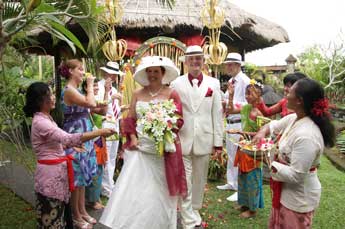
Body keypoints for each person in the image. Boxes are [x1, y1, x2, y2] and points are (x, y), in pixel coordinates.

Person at [100, 56, 187, 229]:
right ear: (145, 74)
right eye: (149, 71)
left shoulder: (172, 93)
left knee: (161, 189)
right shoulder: (137, 93)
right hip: (141, 150)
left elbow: (179, 120)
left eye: (156, 71)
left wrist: (166, 129)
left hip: (163, 151)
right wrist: (132, 138)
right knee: (139, 189)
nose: (153, 74)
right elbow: (130, 119)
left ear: (163, 73)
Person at [24, 82, 115, 228]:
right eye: (50, 95)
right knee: (51, 218)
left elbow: (57, 141)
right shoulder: (41, 122)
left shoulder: (46, 118)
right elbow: (67, 137)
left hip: (56, 174)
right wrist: (99, 133)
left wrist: (71, 145)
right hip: (50, 177)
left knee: (59, 215)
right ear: (40, 100)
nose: (54, 98)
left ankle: (78, 215)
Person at [252, 78, 335, 228]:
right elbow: (274, 125)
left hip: (298, 198)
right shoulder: (294, 118)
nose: (285, 93)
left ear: (299, 101)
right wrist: (261, 132)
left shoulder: (307, 135)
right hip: (284, 191)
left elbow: (296, 175)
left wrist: (267, 160)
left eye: (289, 92)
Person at [171, 45, 223, 229]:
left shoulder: (214, 84)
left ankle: (195, 209)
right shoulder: (176, 83)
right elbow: (172, 110)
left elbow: (217, 114)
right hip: (183, 138)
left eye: (198, 58)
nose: (195, 62)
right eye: (191, 59)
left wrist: (218, 142)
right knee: (185, 179)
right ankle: (188, 219)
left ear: (203, 61)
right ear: (186, 62)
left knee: (200, 180)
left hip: (204, 138)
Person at [59, 59, 103, 227]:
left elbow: (93, 107)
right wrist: (90, 84)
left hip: (84, 134)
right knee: (76, 176)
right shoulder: (69, 90)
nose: (83, 72)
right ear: (70, 71)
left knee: (83, 175)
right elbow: (90, 103)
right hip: (75, 135)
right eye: (80, 69)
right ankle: (76, 216)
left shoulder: (76, 89)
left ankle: (83, 211)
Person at [227, 80, 265, 218]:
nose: (247, 96)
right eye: (246, 93)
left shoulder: (259, 114)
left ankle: (253, 209)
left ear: (258, 95)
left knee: (252, 179)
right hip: (243, 147)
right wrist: (231, 95)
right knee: (242, 176)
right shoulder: (245, 108)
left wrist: (241, 133)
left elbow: (262, 134)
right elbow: (230, 110)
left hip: (254, 151)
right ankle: (244, 203)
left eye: (249, 94)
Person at [217, 52, 250, 203]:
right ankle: (231, 182)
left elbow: (249, 103)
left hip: (239, 121)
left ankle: (239, 187)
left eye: (231, 64)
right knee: (230, 153)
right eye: (227, 64)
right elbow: (225, 98)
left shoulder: (245, 81)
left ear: (238, 65)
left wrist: (232, 104)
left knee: (238, 155)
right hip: (230, 121)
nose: (228, 66)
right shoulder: (232, 80)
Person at [83, 79, 111, 210]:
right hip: (92, 140)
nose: (96, 87)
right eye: (93, 85)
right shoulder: (87, 102)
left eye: (95, 85)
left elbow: (104, 111)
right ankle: (92, 200)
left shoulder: (92, 101)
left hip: (98, 139)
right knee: (94, 169)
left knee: (99, 169)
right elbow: (102, 111)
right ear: (85, 87)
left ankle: (94, 197)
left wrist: (106, 91)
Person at [97, 61, 124, 198]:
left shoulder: (114, 90)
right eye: (111, 74)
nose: (112, 77)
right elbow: (98, 108)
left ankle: (110, 184)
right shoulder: (99, 87)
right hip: (104, 125)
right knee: (105, 156)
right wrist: (109, 96)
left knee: (112, 156)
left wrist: (123, 109)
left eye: (114, 75)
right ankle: (105, 188)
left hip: (114, 125)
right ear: (105, 73)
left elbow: (115, 112)